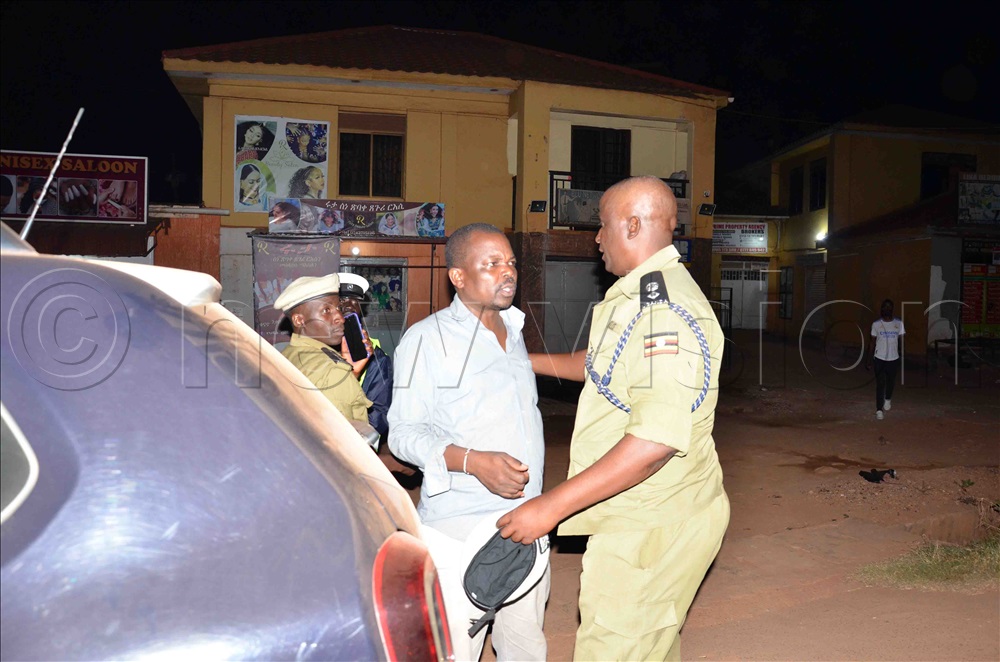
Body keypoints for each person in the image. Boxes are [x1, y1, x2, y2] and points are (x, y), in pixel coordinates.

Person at [498, 176, 729, 661]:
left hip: (652, 521)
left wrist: (549, 508)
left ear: (632, 224)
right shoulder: (638, 295)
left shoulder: (663, 312)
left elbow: (653, 444)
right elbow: (602, 363)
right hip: (647, 513)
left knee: (616, 647)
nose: (596, 239)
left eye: (601, 227)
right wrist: (522, 362)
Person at [388, 223, 548, 661]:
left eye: (511, 262)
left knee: (525, 644)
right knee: (457, 648)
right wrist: (472, 461)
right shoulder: (425, 340)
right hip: (460, 528)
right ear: (458, 277)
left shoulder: (514, 332)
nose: (507, 272)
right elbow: (402, 434)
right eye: (491, 264)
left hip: (526, 521)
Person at [338, 272, 415, 478]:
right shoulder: (317, 349)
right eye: (341, 302)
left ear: (360, 311)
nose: (347, 307)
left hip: (361, 447)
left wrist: (355, 441)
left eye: (354, 303)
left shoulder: (377, 356)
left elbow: (380, 411)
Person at [273, 274, 373, 425]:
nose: (340, 317)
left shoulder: (285, 356)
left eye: (338, 308)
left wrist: (352, 372)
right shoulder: (332, 370)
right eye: (326, 310)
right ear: (299, 320)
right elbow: (339, 440)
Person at [866, 298, 905, 420]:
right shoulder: (876, 324)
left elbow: (902, 340)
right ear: (882, 309)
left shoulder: (898, 323)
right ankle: (879, 409)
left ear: (892, 309)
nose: (887, 309)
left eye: (889, 307)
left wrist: (903, 354)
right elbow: (872, 342)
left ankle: (887, 398)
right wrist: (868, 359)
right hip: (879, 358)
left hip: (893, 358)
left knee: (890, 382)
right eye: (885, 307)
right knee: (880, 383)